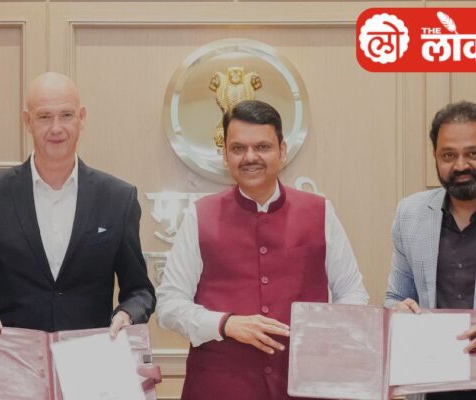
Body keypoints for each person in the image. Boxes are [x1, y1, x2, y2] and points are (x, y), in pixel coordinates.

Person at [156, 100, 368, 399]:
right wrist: (225, 324)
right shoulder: (199, 215)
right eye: (238, 148)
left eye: (262, 147)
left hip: (303, 384)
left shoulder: (319, 211)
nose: (250, 157)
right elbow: (169, 305)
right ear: (225, 155)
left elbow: (353, 292)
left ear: (282, 151)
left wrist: (324, 335)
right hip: (220, 386)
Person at [0, 72, 155, 337]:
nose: (56, 128)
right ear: (27, 121)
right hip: (13, 355)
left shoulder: (118, 198)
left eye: (66, 115)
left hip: (89, 355)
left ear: (82, 117)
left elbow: (140, 291)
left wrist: (127, 314)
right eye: (44, 117)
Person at [385, 101, 476, 400]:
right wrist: (398, 311)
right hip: (430, 384)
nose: (461, 166)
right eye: (448, 155)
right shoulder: (410, 214)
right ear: (435, 156)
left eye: (474, 154)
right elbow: (395, 297)